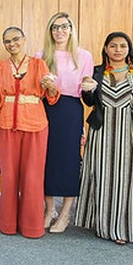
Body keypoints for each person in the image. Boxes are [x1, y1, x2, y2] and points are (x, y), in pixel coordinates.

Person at [75, 32, 133, 244]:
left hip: (129, 134)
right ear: (105, 48)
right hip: (101, 132)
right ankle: (101, 223)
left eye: (122, 46)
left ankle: (122, 226)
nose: (118, 50)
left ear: (128, 49)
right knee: (102, 176)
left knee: (125, 179)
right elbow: (89, 102)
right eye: (113, 45)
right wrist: (87, 90)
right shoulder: (96, 72)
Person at [0, 26, 59, 238]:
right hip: (6, 124)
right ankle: (8, 224)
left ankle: (32, 227)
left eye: (16, 39)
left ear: (24, 39)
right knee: (9, 175)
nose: (12, 44)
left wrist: (51, 87)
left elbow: (52, 96)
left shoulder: (39, 64)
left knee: (33, 176)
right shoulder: (0, 67)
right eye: (7, 42)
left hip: (35, 124)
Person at [37, 12, 93, 233]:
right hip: (46, 109)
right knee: (47, 159)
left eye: (64, 27)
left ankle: (66, 211)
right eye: (54, 27)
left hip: (70, 110)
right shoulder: (41, 55)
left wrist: (91, 87)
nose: (59, 31)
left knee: (69, 160)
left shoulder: (84, 56)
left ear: (71, 29)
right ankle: (49, 209)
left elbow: (86, 91)